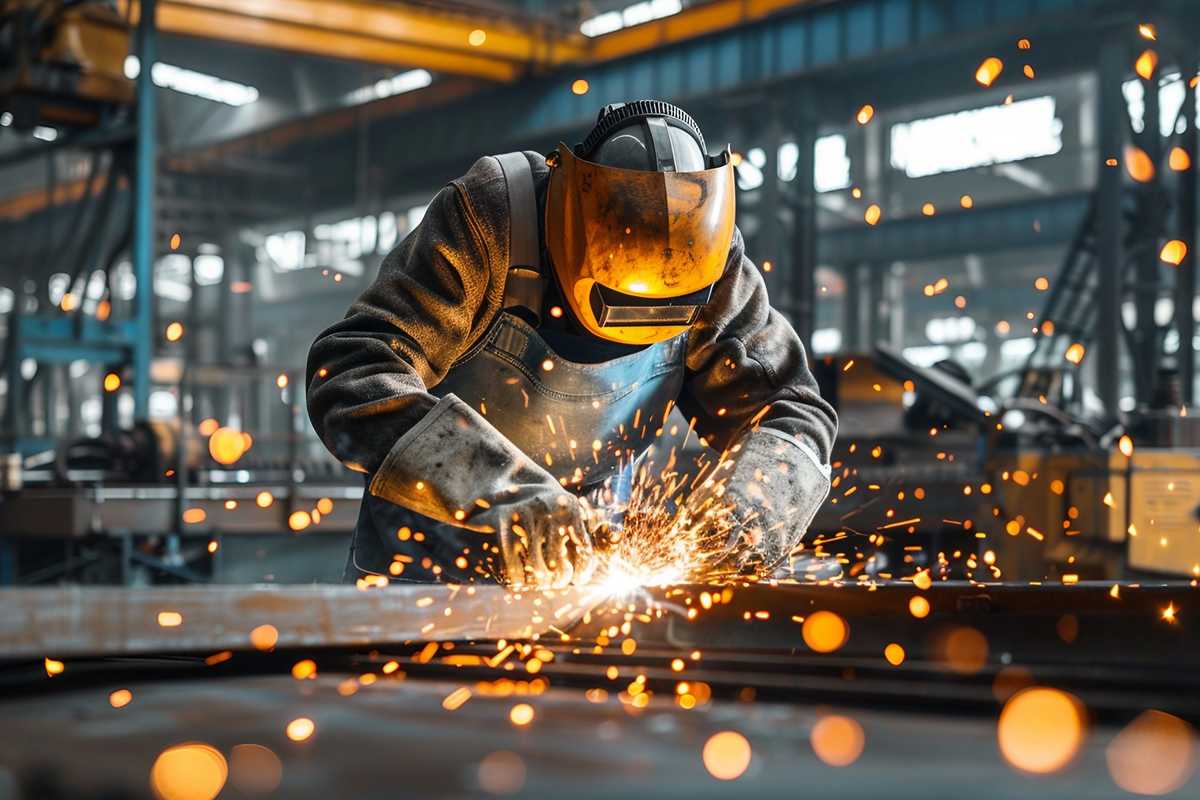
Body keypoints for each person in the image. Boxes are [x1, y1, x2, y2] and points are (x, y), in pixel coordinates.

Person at [306, 100, 837, 589]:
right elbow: (351, 375)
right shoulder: (493, 219)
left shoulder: (716, 267)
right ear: (569, 220)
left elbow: (791, 413)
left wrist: (746, 515)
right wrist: (502, 493)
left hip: (586, 583)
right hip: (421, 576)